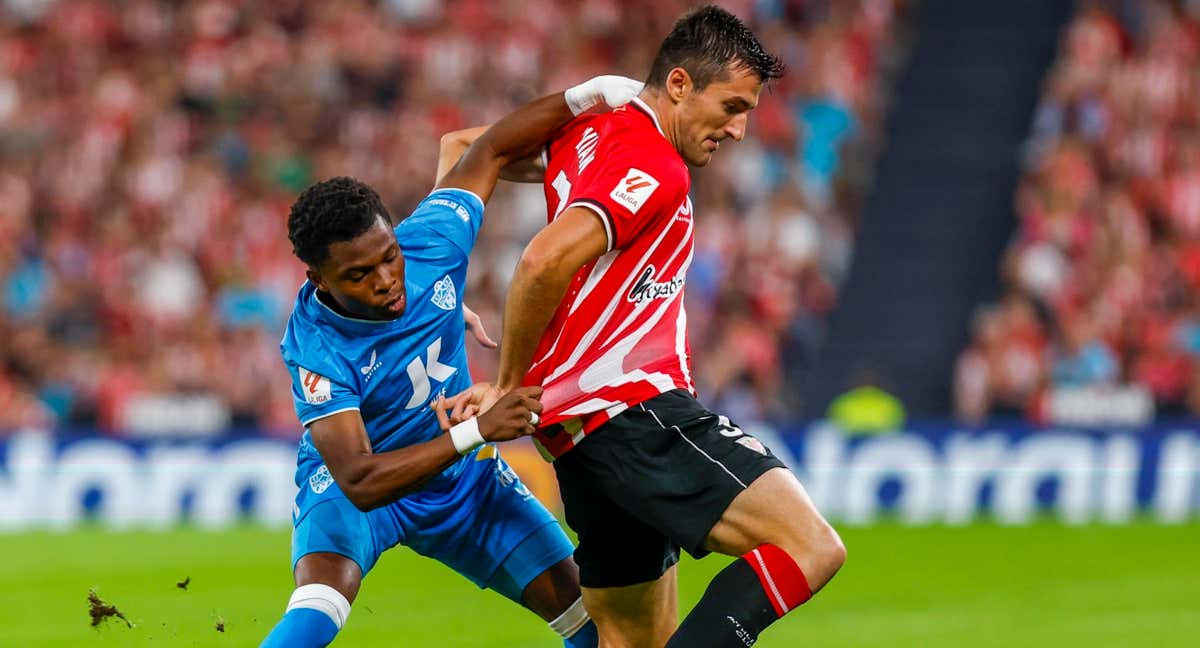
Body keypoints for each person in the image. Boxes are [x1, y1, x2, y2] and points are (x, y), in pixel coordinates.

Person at [463, 7, 846, 647]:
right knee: (810, 545)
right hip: (635, 412)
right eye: (729, 107)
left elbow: (464, 151)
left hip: (580, 437)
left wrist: (434, 294)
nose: (741, 130)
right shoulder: (654, 163)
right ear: (676, 86)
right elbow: (541, 260)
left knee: (631, 639)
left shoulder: (589, 135)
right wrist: (505, 387)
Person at [260, 75, 643, 647]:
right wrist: (477, 431)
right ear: (318, 279)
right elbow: (361, 480)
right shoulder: (316, 349)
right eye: (359, 276)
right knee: (317, 611)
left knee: (594, 628)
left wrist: (587, 94)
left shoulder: (432, 243)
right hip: (361, 491)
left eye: (388, 257)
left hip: (465, 485)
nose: (388, 281)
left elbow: (487, 148)